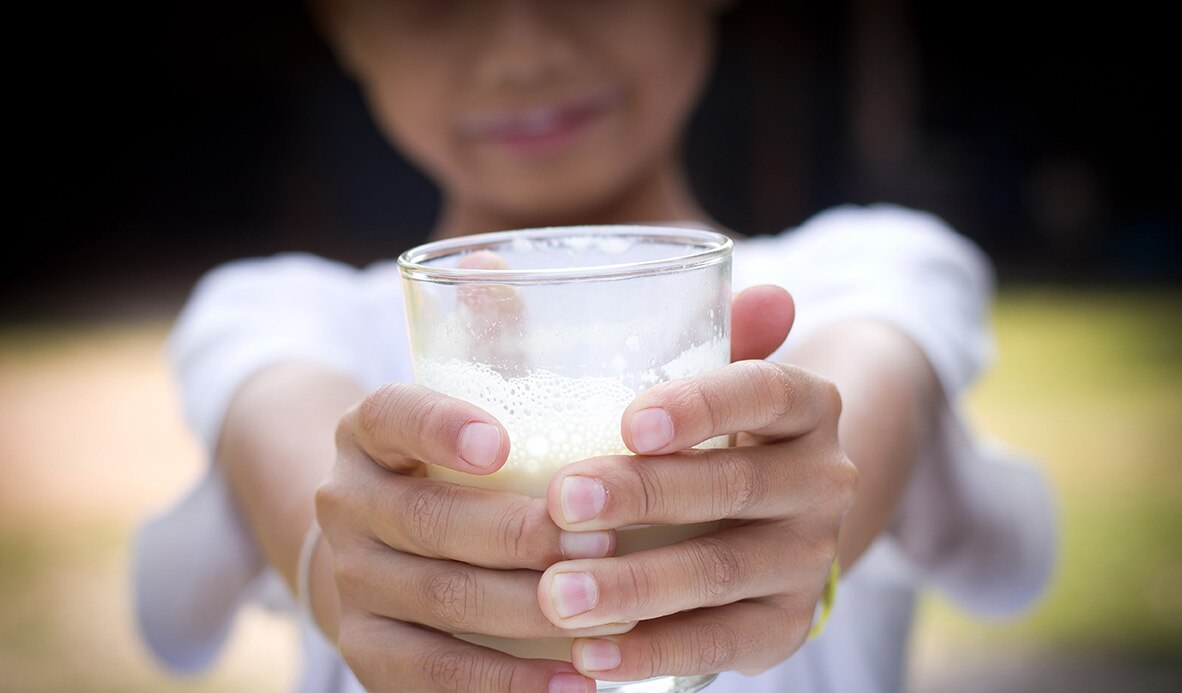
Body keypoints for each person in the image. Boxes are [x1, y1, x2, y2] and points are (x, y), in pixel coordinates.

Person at [134, 1, 1057, 691]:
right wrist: (349, 572)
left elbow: (870, 382)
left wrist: (804, 500)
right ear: (341, 23)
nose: (523, 50)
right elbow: (291, 455)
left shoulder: (866, 268)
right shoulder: (284, 314)